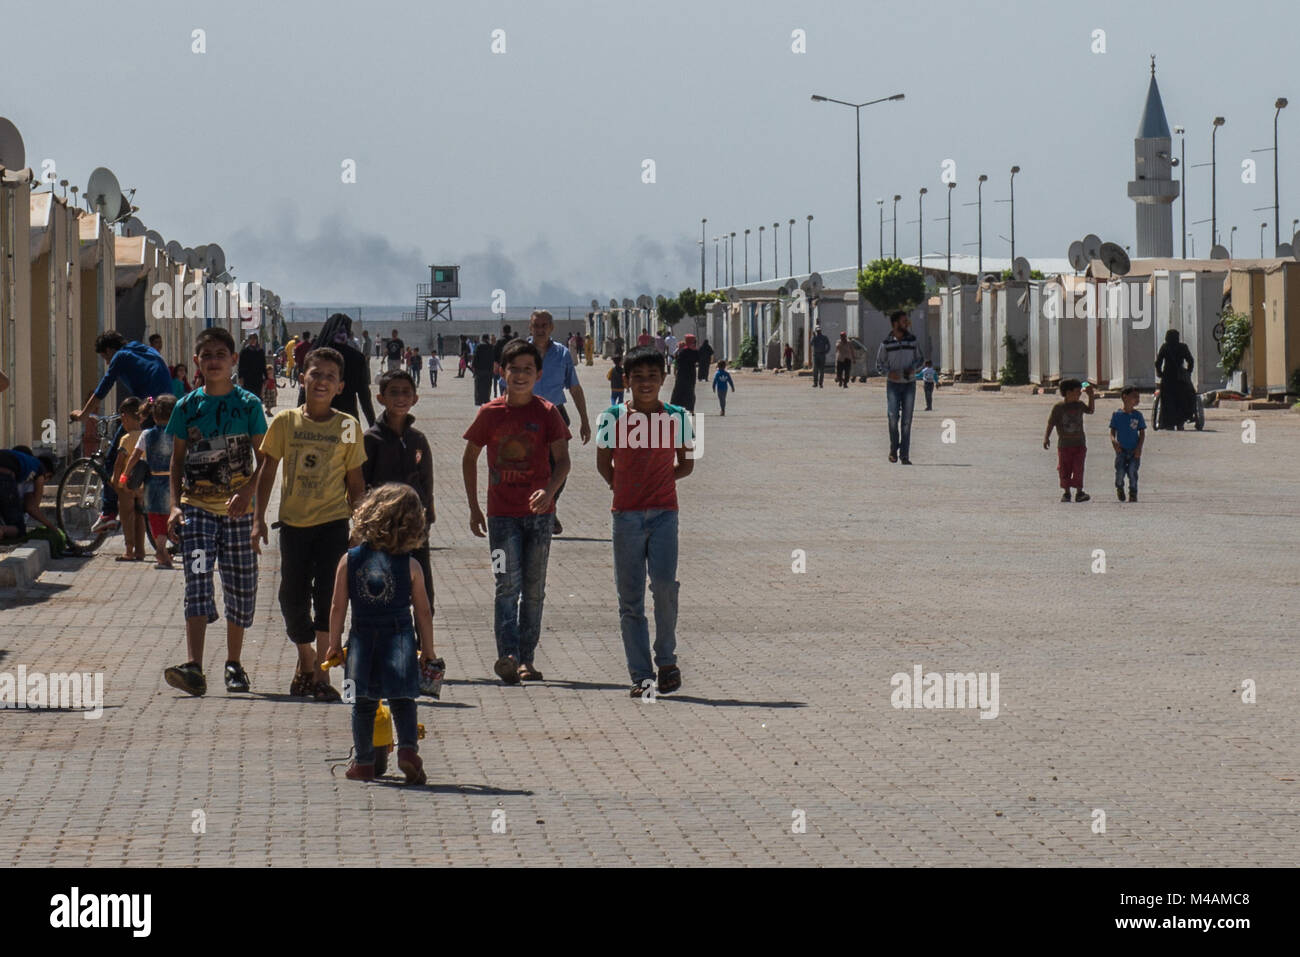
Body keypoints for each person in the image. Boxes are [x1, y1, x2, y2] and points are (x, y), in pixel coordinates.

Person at [162, 327, 268, 697]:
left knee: (241, 586)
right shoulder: (186, 407)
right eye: (207, 355)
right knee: (197, 582)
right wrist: (174, 505)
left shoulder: (249, 405)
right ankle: (194, 666)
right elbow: (176, 462)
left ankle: (234, 664)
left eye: (221, 354)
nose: (214, 361)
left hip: (238, 512)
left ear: (234, 360)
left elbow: (266, 458)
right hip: (197, 509)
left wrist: (249, 495)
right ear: (197, 362)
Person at [255, 347, 365, 701]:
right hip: (293, 525)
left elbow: (355, 480)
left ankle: (321, 674)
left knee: (328, 597)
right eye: (315, 374)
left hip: (333, 523)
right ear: (301, 377)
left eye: (330, 377)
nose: (321, 382)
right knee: (291, 597)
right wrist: (258, 519)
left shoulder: (348, 426)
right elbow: (267, 471)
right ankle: (306, 657)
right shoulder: (286, 422)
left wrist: (360, 525)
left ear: (340, 386)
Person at [462, 339, 569, 685]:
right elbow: (469, 458)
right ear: (501, 372)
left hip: (539, 518)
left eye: (527, 370)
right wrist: (474, 507)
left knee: (534, 589)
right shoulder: (490, 413)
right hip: (500, 518)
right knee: (505, 585)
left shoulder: (547, 412)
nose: (520, 375)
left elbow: (563, 461)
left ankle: (527, 659)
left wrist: (549, 492)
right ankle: (506, 655)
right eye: (513, 369)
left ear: (538, 374)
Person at [595, 345, 694, 698]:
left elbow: (687, 464)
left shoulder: (678, 417)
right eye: (638, 377)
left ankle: (666, 659)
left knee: (665, 588)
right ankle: (642, 676)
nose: (646, 383)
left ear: (664, 379)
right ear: (627, 380)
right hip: (626, 518)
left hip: (665, 515)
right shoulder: (611, 418)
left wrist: (660, 483)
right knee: (630, 599)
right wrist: (619, 487)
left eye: (653, 376)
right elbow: (603, 463)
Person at [324, 483, 436, 784]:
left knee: (363, 703)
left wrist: (333, 644)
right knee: (403, 699)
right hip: (399, 637)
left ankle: (363, 762)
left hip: (362, 638)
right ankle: (408, 752)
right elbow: (423, 611)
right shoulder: (411, 565)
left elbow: (337, 606)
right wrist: (428, 650)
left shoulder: (349, 560)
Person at [70, 330, 172, 533]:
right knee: (153, 460)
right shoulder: (143, 349)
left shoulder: (121, 356)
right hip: (165, 406)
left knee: (114, 457)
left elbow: (102, 389)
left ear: (109, 350)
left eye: (105, 357)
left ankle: (108, 512)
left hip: (150, 406)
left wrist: (82, 415)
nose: (107, 362)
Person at [363, 369, 435, 612]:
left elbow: (426, 481)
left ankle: (423, 644)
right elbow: (362, 484)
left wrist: (428, 515)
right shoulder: (371, 439)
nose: (401, 398)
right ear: (380, 398)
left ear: (415, 398)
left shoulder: (418, 439)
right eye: (393, 392)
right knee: (381, 585)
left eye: (406, 392)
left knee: (422, 588)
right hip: (381, 527)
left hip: (415, 525)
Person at [527, 309, 591, 536]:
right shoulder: (521, 353)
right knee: (529, 467)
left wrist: (584, 420)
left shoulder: (562, 354)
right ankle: (534, 509)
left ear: (552, 328)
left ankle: (549, 505)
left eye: (545, 325)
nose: (541, 329)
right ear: (530, 327)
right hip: (526, 415)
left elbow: (574, 387)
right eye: (537, 325)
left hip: (556, 415)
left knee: (560, 467)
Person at [122, 393, 177, 567]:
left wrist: (125, 474)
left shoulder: (146, 434)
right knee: (171, 514)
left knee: (155, 517)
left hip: (152, 482)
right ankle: (166, 547)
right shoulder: (177, 435)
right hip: (172, 482)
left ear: (153, 415)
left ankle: (161, 548)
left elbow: (135, 457)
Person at [303, 313, 376, 427]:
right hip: (348, 421)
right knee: (349, 445)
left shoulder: (315, 357)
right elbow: (364, 396)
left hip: (315, 419)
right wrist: (373, 425)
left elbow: (304, 390)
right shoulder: (357, 358)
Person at [875, 312, 925, 464]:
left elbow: (921, 359)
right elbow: (879, 365)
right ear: (895, 323)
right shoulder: (886, 344)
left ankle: (904, 455)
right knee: (892, 417)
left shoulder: (913, 341)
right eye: (904, 321)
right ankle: (893, 449)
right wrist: (889, 373)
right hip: (893, 385)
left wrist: (914, 369)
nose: (907, 324)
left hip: (909, 384)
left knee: (907, 420)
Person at [1044, 378, 1096, 502]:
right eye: (1077, 391)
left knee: (1078, 467)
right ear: (1068, 393)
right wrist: (1046, 437)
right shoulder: (1059, 407)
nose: (1079, 394)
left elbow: (1091, 410)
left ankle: (1079, 492)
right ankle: (1066, 492)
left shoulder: (1079, 405)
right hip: (1064, 445)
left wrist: (1091, 396)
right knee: (1064, 468)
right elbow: (1051, 423)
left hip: (1079, 444)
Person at [111, 397, 148, 562]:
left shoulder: (126, 439)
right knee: (140, 517)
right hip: (142, 485)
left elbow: (119, 463)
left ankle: (129, 550)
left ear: (124, 417)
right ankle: (140, 550)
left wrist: (116, 479)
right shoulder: (147, 436)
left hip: (126, 485)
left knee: (127, 517)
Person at [0, 447, 57, 541]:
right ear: (48, 474)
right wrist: (51, 527)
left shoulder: (26, 462)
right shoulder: (39, 470)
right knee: (20, 530)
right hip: (4, 476)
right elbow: (32, 507)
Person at [1110, 386, 1146, 503]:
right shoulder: (1117, 415)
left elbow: (1141, 433)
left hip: (1134, 450)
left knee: (1132, 471)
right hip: (1121, 450)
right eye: (1134, 397)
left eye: (1138, 397)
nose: (1137, 399)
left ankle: (1133, 493)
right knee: (1120, 472)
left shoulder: (1138, 415)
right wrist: (1114, 441)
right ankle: (1119, 487)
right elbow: (1112, 432)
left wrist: (1139, 448)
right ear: (1124, 397)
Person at [1155, 329, 1195, 431]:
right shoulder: (1183, 347)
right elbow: (1190, 360)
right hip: (1180, 378)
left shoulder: (1165, 347)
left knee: (1168, 401)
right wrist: (1188, 372)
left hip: (1167, 377)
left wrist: (1160, 373)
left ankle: (1169, 423)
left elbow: (1158, 362)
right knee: (1182, 399)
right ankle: (1180, 422)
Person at [670, 333, 700, 411]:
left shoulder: (683, 351)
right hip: (690, 374)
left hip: (683, 373)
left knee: (680, 390)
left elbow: (678, 360)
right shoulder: (694, 351)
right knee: (689, 390)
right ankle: (689, 408)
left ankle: (677, 407)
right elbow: (698, 360)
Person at [238, 332, 267, 399]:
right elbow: (241, 365)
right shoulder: (244, 351)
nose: (252, 340)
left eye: (254, 338)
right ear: (248, 340)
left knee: (257, 397)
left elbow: (263, 364)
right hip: (247, 378)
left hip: (258, 378)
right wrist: (240, 377)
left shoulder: (260, 351)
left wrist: (266, 377)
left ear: (257, 340)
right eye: (251, 338)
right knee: (247, 396)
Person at [472, 333, 496, 406]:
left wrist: (474, 367)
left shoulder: (479, 346)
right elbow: (493, 358)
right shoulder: (491, 347)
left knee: (478, 386)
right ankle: (486, 399)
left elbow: (475, 358)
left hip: (479, 370)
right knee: (487, 385)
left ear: (482, 339)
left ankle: (478, 400)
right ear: (488, 339)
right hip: (488, 370)